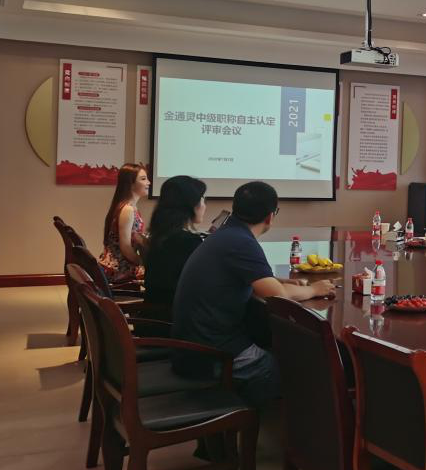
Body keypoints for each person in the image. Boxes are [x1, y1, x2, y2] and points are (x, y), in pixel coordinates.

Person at [171, 181, 334, 407]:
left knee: (279, 348)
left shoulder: (227, 234)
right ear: (270, 216)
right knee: (300, 370)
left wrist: (281, 281)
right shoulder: (241, 242)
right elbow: (277, 296)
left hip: (191, 345)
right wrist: (314, 289)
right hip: (212, 355)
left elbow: (255, 280)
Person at [143, 175, 208, 311]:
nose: (204, 206)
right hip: (176, 317)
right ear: (192, 205)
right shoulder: (188, 242)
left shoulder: (159, 235)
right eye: (203, 199)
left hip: (155, 313)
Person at [98, 162, 149, 284]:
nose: (149, 182)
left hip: (118, 265)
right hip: (118, 269)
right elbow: (125, 247)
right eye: (143, 179)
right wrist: (142, 262)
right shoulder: (128, 209)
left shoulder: (127, 206)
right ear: (130, 183)